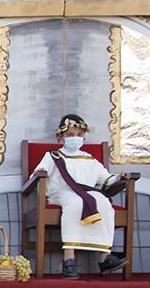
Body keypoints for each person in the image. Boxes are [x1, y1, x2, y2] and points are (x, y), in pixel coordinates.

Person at [32, 114, 130, 279]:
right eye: (70, 135)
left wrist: (118, 178)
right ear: (60, 137)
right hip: (61, 193)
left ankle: (104, 259)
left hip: (87, 193)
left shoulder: (89, 159)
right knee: (76, 202)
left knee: (104, 203)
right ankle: (69, 260)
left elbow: (105, 179)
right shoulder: (53, 156)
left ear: (84, 136)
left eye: (79, 135)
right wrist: (40, 173)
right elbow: (37, 175)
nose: (75, 138)